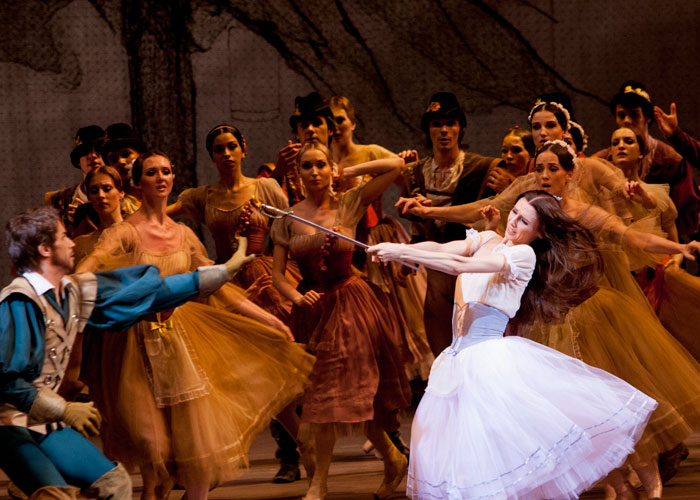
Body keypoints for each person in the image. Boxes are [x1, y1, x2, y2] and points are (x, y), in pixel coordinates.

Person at [368, 191, 657, 500]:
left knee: (493, 460)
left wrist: (398, 251)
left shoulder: (522, 256)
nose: (514, 222)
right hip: (456, 362)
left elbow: (454, 265)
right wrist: (403, 250)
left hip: (488, 363)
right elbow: (441, 248)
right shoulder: (486, 240)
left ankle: (627, 488)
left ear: (540, 232)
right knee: (460, 456)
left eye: (524, 220)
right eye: (514, 213)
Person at [77, 151, 314, 500]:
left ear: (173, 179)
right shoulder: (124, 233)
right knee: (153, 452)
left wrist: (267, 319)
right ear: (138, 184)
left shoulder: (185, 236)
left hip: (180, 343)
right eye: (152, 172)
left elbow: (216, 285)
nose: (161, 177)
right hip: (134, 347)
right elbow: (88, 268)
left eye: (167, 171)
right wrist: (87, 292)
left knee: (196, 456)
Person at [0, 206, 255, 500]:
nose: (73, 243)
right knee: (55, 496)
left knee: (115, 483)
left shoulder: (72, 291)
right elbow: (7, 381)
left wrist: (222, 272)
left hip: (43, 422)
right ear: (45, 249)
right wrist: (65, 409)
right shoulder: (19, 301)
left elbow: (153, 292)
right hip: (8, 424)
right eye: (64, 237)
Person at [270, 143, 411, 500]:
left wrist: (345, 172)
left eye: (321, 165)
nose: (314, 172)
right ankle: (393, 458)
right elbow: (278, 278)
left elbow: (394, 165)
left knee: (333, 394)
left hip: (352, 306)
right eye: (307, 166)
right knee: (350, 399)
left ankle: (318, 485)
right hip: (314, 310)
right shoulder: (287, 219)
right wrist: (297, 298)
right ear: (297, 173)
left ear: (330, 169)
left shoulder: (349, 202)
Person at [168, 124, 306, 483]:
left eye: (232, 146)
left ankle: (304, 449)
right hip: (228, 288)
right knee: (235, 380)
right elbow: (160, 216)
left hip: (268, 283)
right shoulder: (203, 196)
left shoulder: (266, 187)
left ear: (244, 149)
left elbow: (290, 232)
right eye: (218, 149)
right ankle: (215, 462)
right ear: (211, 155)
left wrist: (282, 279)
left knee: (280, 376)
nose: (226, 154)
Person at [399, 91, 501, 356]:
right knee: (439, 337)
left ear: (461, 128)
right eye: (436, 124)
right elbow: (418, 226)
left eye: (451, 123)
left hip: (471, 267)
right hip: (436, 268)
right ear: (428, 129)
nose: (444, 130)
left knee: (473, 339)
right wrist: (412, 251)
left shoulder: (482, 168)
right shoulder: (415, 172)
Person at [593, 81, 700, 236]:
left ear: (648, 117)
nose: (627, 121)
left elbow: (684, 208)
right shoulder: (601, 161)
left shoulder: (670, 158)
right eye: (621, 115)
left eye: (634, 115)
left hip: (665, 238)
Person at [259, 92, 337, 205]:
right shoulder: (274, 171)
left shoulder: (345, 176)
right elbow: (258, 208)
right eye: (304, 125)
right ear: (296, 133)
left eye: (316, 123)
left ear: (330, 130)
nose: (310, 129)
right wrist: (278, 174)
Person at [45, 126, 106, 236]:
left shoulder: (121, 195)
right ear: (78, 160)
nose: (92, 156)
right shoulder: (59, 200)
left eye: (98, 149)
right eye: (85, 151)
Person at [99, 123, 147, 216]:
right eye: (113, 159)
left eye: (126, 155)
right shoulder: (109, 201)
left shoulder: (158, 190)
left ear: (140, 155)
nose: (121, 162)